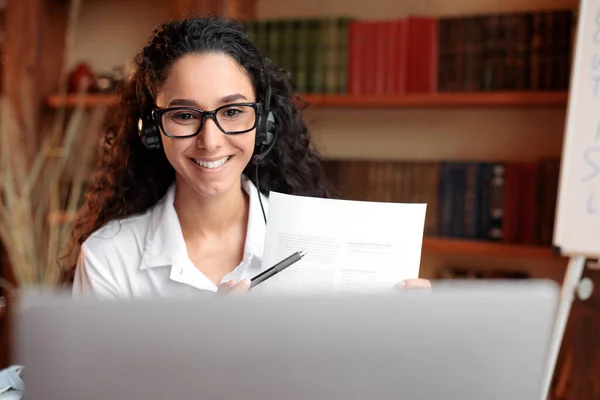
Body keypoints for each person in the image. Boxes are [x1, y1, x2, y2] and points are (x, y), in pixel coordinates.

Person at [60, 15, 430, 298]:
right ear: (152, 130)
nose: (211, 141)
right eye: (185, 115)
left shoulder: (320, 249)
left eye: (233, 112)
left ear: (264, 124)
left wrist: (404, 340)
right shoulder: (110, 258)